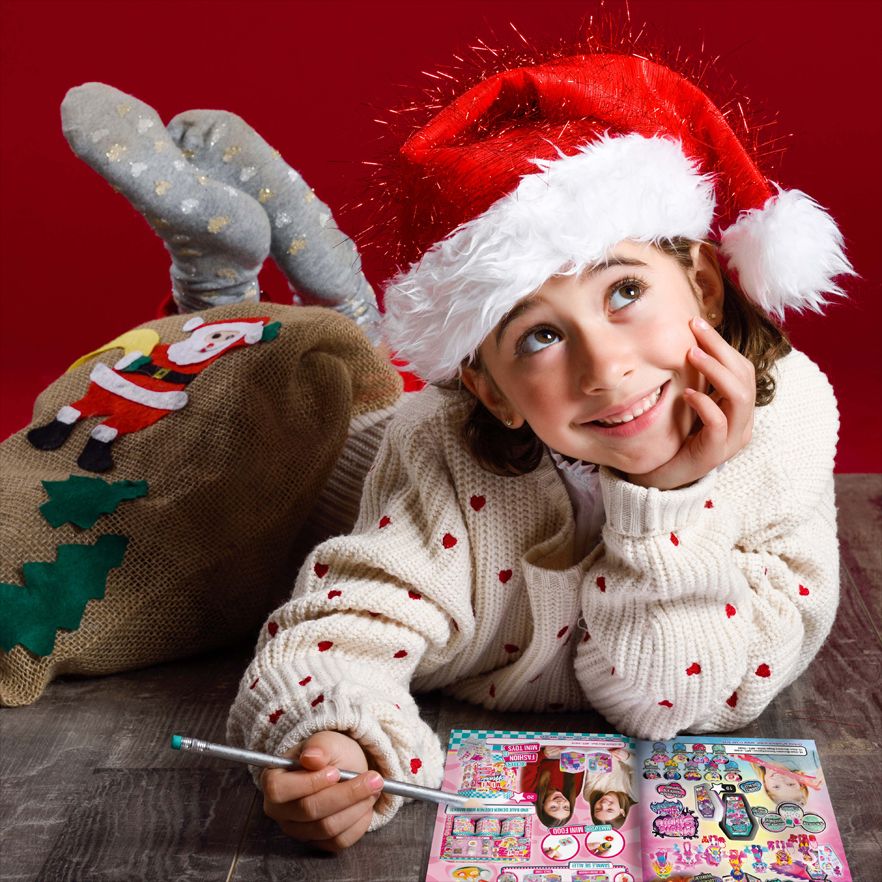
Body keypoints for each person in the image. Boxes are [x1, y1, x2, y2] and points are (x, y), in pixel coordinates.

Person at [68, 42, 850, 852]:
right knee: (238, 391)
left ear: (705, 287)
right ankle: (218, 278)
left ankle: (309, 264)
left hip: (379, 401)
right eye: (542, 335)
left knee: (349, 345)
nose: (606, 368)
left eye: (626, 291)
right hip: (298, 456)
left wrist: (665, 502)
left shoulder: (790, 419)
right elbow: (342, 624)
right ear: (490, 390)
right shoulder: (439, 446)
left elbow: (670, 701)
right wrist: (337, 733)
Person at [519, 746, 584, 829]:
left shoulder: (529, 792)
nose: (560, 803)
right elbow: (579, 764)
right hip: (570, 746)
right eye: (566, 807)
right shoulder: (574, 792)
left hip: (545, 744)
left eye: (553, 807)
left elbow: (528, 763)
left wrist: (543, 754)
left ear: (542, 806)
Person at [582, 748, 637, 829]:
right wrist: (628, 758)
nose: (603, 804)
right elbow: (643, 769)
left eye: (598, 809)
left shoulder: (589, 795)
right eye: (610, 809)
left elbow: (592, 768)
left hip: (601, 748)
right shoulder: (634, 795)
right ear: (622, 812)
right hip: (628, 749)